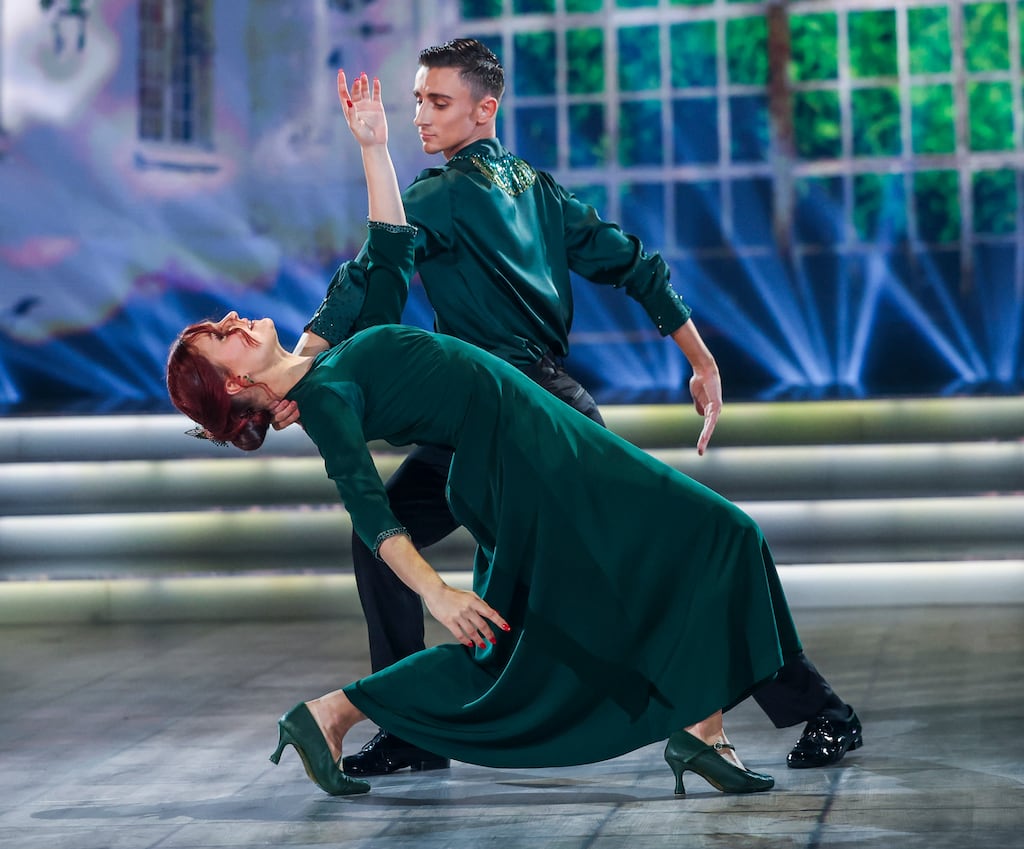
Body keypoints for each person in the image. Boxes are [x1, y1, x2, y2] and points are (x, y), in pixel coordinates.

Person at [167, 71, 801, 798]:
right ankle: (335, 712)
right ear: (236, 386)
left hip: (534, 431)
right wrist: (437, 592)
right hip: (522, 454)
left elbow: (385, 254)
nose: (235, 320)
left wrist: (373, 146)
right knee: (698, 539)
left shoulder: (324, 369)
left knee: (682, 551)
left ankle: (699, 730)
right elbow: (370, 510)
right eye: (225, 338)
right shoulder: (325, 403)